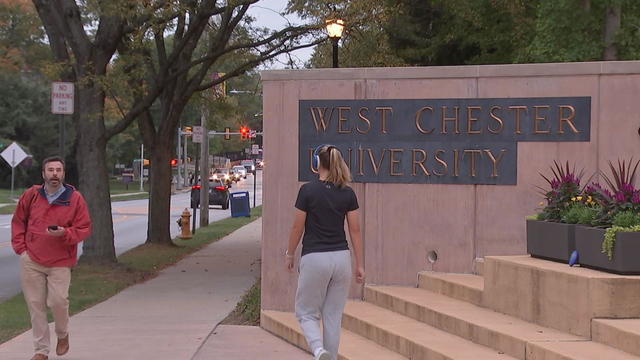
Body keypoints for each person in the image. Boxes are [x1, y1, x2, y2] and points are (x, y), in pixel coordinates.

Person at [286, 145, 365, 360]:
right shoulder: (348, 193)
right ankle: (330, 356)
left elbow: (297, 227)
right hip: (341, 259)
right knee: (332, 316)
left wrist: (290, 253)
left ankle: (318, 350)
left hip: (315, 258)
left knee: (306, 312)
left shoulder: (307, 191)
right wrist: (359, 264)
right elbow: (355, 230)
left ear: (316, 163)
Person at [11, 156, 92, 360]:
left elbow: (83, 228)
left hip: (60, 262)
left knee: (58, 302)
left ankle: (62, 335)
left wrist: (65, 233)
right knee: (35, 305)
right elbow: (18, 221)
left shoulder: (74, 198)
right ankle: (41, 350)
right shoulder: (31, 195)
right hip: (32, 260)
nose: (54, 174)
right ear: (43, 174)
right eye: (50, 170)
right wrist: (21, 249)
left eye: (58, 170)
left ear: (63, 174)